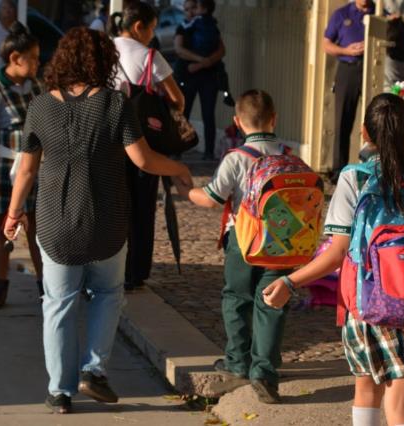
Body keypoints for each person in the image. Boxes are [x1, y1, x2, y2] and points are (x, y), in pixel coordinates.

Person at [3, 27, 192, 414]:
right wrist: (176, 168)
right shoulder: (113, 104)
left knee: (58, 304)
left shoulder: (39, 107)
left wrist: (13, 213)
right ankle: (94, 370)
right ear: (104, 61)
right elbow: (142, 159)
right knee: (107, 294)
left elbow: (25, 172)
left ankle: (59, 391)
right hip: (106, 221)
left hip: (55, 224)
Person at [262, 93, 404, 425]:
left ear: (364, 132)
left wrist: (290, 280)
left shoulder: (354, 178)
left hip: (367, 302)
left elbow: (338, 252)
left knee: (367, 389)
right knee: (401, 406)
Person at [185, 89, 292, 404]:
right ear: (274, 119)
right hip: (282, 243)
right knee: (272, 304)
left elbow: (212, 198)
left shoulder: (236, 158)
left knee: (237, 299)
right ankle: (265, 374)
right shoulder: (289, 156)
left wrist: (187, 189)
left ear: (237, 122)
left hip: (244, 241)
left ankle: (237, 362)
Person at [108, 3, 185, 291]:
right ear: (139, 26)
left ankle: (109, 267)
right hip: (144, 144)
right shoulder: (151, 57)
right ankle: (135, 271)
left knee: (113, 207)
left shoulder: (104, 51)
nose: (153, 34)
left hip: (109, 143)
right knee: (141, 210)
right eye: (152, 27)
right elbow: (178, 100)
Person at [0, 22, 43, 310]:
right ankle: (0, 284)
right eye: (34, 58)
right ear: (15, 58)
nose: (38, 63)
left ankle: (45, 286)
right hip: (5, 169)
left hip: (35, 168)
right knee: (2, 226)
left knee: (37, 229)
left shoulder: (37, 87)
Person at [323, 0, 375, 178]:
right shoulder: (342, 14)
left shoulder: (378, 12)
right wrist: (346, 51)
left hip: (373, 69)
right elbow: (326, 44)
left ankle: (372, 167)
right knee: (343, 120)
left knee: (374, 119)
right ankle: (339, 170)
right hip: (348, 68)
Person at [174, 0, 226, 160]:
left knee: (208, 114)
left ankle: (208, 152)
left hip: (206, 76)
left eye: (192, 8)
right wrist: (203, 60)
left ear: (198, 9)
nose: (189, 12)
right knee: (184, 113)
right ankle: (178, 149)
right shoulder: (183, 27)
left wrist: (202, 63)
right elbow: (179, 49)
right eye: (186, 9)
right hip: (189, 76)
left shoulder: (206, 25)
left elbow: (222, 49)